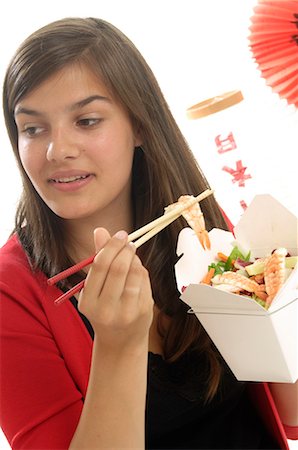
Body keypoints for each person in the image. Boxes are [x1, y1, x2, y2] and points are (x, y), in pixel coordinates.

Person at [0, 17, 297, 450]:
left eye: (86, 120)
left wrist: (284, 303)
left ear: (139, 124)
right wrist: (118, 344)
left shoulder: (198, 229)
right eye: (32, 128)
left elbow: (290, 415)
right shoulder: (11, 293)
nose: (57, 150)